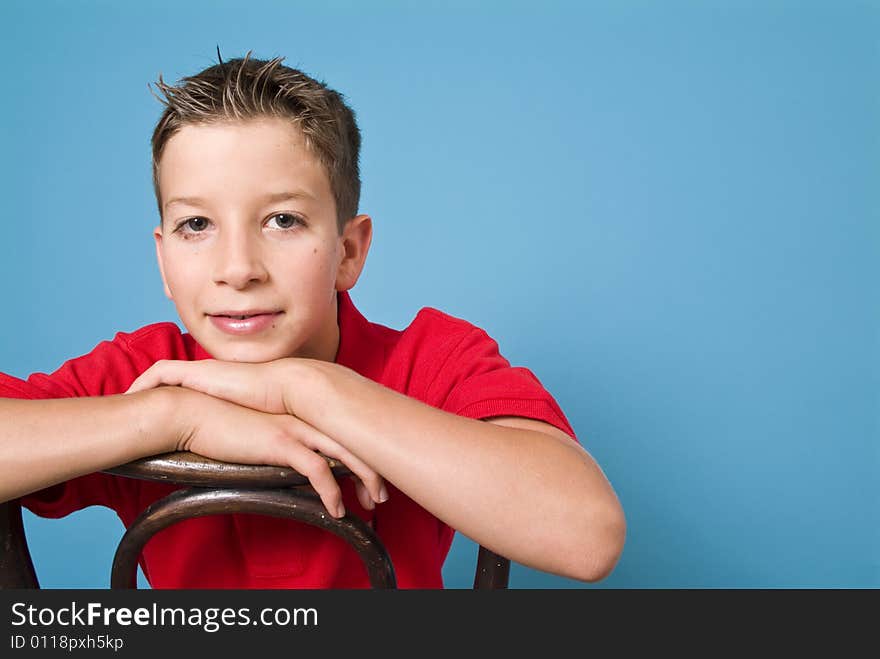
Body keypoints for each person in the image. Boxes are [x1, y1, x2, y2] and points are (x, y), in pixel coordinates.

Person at [0, 52, 625, 588]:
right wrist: (174, 417)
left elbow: (586, 535)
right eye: (197, 226)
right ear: (164, 261)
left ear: (348, 251)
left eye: (283, 221)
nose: (238, 269)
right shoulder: (147, 373)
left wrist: (306, 388)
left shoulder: (429, 358)